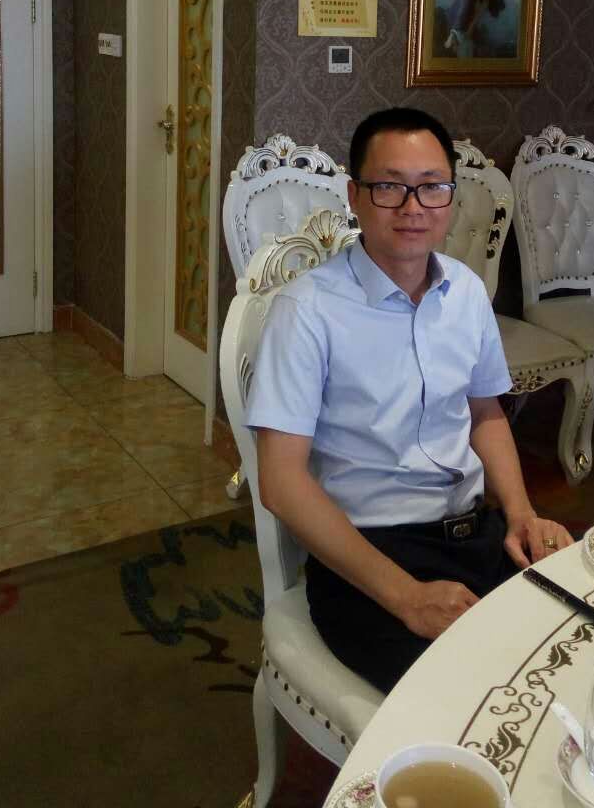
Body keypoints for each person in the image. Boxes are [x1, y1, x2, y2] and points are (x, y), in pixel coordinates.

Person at [245, 108, 573, 693]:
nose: (412, 206)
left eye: (431, 186)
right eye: (389, 186)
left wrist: (522, 515)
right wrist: (406, 597)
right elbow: (281, 481)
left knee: (573, 652)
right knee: (468, 699)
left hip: (477, 533)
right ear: (355, 195)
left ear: (451, 196)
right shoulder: (307, 312)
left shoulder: (466, 292)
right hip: (370, 556)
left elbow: (485, 414)